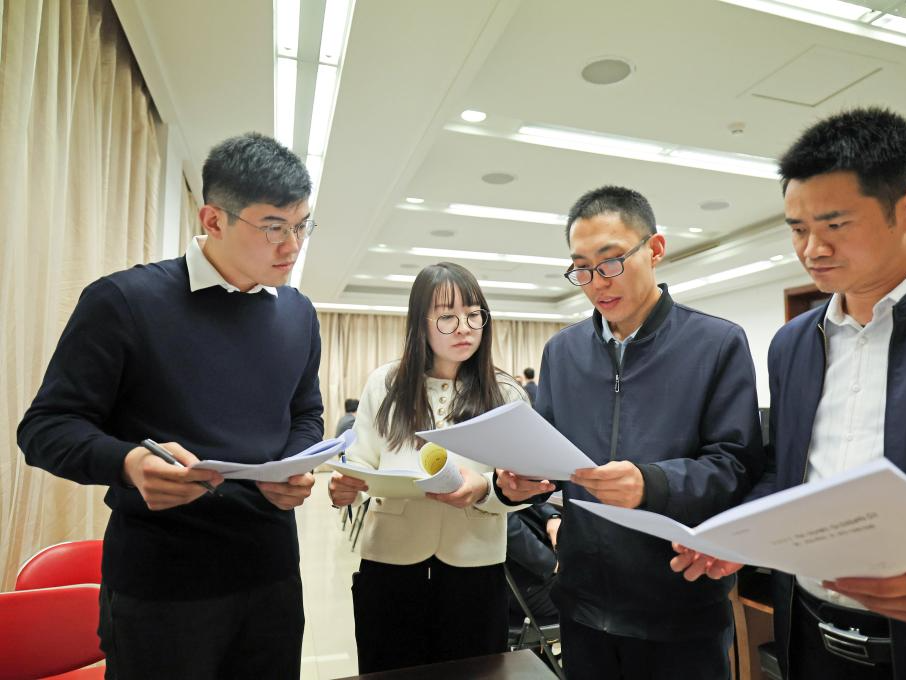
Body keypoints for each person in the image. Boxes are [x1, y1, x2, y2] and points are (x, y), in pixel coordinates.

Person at [670, 108, 906, 680]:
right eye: (797, 229)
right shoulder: (792, 344)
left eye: (835, 225)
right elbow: (788, 473)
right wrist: (743, 535)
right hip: (813, 631)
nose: (812, 249)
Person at [17, 132, 323, 679]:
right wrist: (129, 462)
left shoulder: (298, 313)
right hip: (162, 583)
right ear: (213, 219)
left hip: (272, 572)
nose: (292, 246)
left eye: (302, 225)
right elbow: (45, 427)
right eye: (274, 227)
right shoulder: (124, 301)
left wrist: (295, 462)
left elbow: (305, 413)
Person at [497, 186, 764, 679]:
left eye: (611, 262)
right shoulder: (562, 352)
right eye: (582, 268)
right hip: (582, 607)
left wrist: (651, 484)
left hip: (679, 608)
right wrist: (524, 489)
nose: (597, 283)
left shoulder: (716, 343)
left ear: (655, 249)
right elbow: (548, 460)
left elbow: (735, 467)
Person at [328, 262, 530, 674]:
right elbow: (362, 460)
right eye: (447, 316)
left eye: (474, 315)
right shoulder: (386, 383)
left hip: (475, 562)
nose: (464, 328)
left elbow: (523, 484)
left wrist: (486, 489)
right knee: (390, 668)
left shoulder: (505, 392)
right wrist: (345, 487)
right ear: (419, 322)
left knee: (473, 671)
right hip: (391, 558)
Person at [506, 502, 561, 621]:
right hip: (525, 583)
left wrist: (552, 516)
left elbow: (528, 495)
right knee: (597, 591)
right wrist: (555, 565)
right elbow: (508, 530)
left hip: (543, 558)